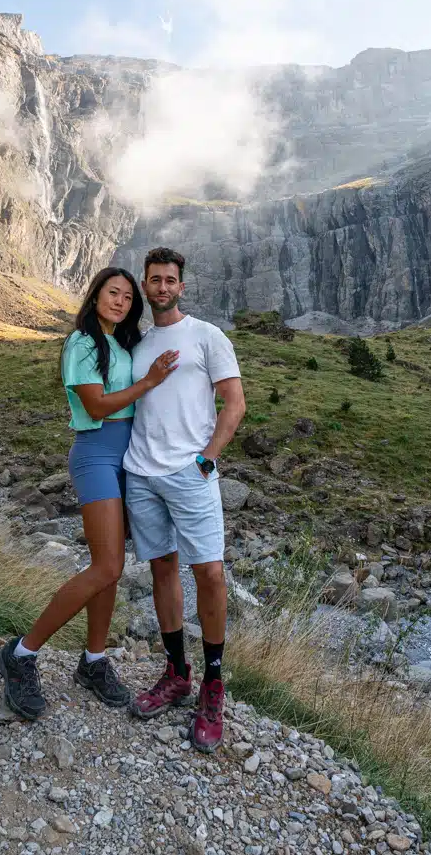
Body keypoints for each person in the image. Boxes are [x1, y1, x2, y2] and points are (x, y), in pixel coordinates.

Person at [0, 267, 179, 720]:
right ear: (94, 294)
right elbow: (95, 404)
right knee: (107, 565)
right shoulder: (81, 344)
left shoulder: (119, 343)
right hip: (96, 454)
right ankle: (20, 653)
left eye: (126, 297)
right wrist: (149, 381)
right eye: (112, 293)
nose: (120, 301)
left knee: (111, 570)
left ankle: (93, 661)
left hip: (127, 458)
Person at [123, 247, 246, 753]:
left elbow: (235, 402)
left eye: (170, 280)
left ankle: (213, 684)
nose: (162, 288)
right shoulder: (137, 344)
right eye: (154, 280)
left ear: (182, 286)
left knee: (210, 573)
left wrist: (207, 459)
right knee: (162, 570)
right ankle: (177, 672)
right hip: (142, 472)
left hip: (191, 474)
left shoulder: (207, 336)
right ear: (145, 284)